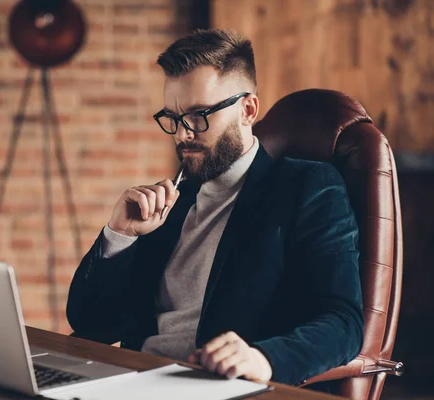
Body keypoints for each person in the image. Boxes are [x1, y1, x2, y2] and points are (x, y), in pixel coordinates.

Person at [66, 29, 364, 387]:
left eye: (198, 115)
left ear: (247, 110)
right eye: (173, 118)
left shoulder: (308, 188)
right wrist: (119, 236)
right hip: (133, 380)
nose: (182, 134)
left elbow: (344, 322)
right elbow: (89, 323)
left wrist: (265, 358)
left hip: (212, 388)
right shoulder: (170, 203)